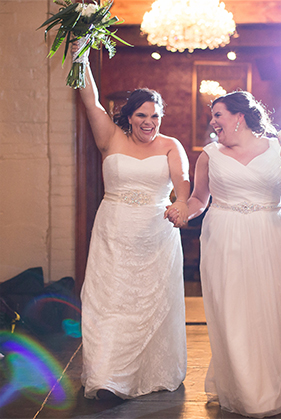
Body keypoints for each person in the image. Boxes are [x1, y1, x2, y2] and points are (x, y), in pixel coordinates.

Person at [166, 91, 281, 417]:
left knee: (273, 307)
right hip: (224, 239)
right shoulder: (209, 155)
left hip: (270, 235)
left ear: (239, 117)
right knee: (233, 312)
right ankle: (248, 389)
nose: (212, 121)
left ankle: (272, 378)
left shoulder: (279, 149)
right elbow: (198, 200)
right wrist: (182, 210)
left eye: (218, 114)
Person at [72, 43, 190, 400]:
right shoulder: (109, 136)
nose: (149, 123)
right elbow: (90, 99)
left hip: (156, 235)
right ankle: (107, 377)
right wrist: (80, 53)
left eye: (155, 117)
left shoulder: (170, 144)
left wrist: (182, 203)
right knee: (109, 301)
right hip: (113, 231)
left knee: (150, 303)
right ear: (129, 116)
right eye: (142, 116)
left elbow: (182, 181)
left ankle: (148, 372)